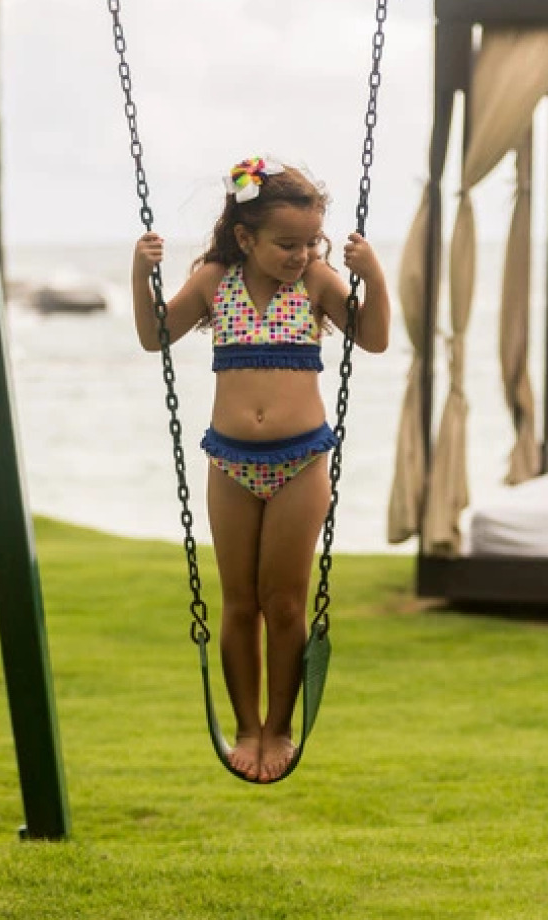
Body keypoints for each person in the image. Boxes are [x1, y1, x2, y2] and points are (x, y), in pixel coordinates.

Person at [131, 156, 390, 781]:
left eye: (308, 242)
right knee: (239, 603)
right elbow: (155, 335)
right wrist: (141, 278)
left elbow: (374, 338)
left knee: (284, 604)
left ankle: (279, 727)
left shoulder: (320, 281)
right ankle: (245, 725)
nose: (299, 254)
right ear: (245, 237)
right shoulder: (217, 281)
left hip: (301, 462)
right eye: (285, 244)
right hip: (230, 461)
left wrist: (374, 278)